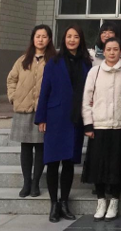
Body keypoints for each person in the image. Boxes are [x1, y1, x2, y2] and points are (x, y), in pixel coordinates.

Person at [35, 25, 92, 223]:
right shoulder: (54, 62)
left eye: (76, 37)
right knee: (52, 162)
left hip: (75, 119)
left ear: (80, 40)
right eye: (69, 36)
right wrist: (41, 117)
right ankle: (53, 204)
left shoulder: (86, 63)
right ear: (63, 39)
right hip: (55, 117)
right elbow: (45, 90)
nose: (72, 40)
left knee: (68, 162)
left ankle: (64, 202)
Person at [81, 38, 121, 222]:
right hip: (99, 125)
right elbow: (86, 99)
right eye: (108, 49)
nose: (112, 52)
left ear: (120, 51)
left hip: (120, 125)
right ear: (104, 51)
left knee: (117, 166)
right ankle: (101, 200)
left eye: (115, 49)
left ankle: (114, 201)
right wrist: (88, 124)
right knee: (98, 165)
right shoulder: (95, 71)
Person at [7, 24, 56, 199]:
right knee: (26, 147)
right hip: (23, 109)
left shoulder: (53, 60)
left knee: (40, 147)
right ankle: (26, 183)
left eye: (44, 36)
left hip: (43, 110)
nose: (40, 39)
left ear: (49, 39)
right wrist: (13, 97)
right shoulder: (23, 60)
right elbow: (11, 79)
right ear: (33, 39)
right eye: (37, 36)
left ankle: (36, 183)